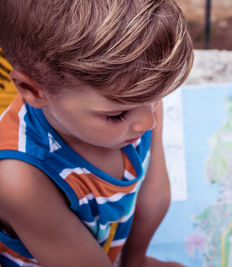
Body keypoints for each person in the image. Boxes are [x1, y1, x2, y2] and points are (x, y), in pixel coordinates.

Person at [0, 0, 193, 266]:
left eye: (158, 99)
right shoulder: (19, 179)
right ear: (33, 90)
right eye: (117, 115)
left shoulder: (137, 93)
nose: (148, 122)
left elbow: (154, 194)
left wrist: (135, 261)